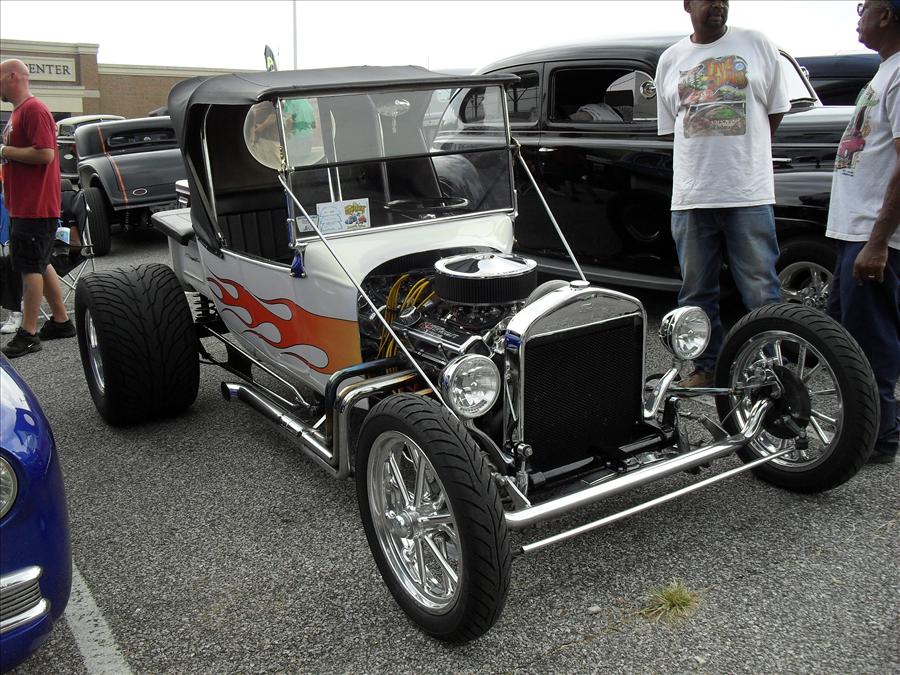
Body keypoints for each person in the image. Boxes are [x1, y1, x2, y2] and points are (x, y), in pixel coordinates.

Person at [655, 0, 790, 387]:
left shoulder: (757, 44)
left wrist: (748, 154)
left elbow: (775, 111)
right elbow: (675, 125)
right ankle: (705, 368)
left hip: (748, 194)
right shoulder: (670, 59)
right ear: (687, 4)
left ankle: (771, 373)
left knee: (761, 292)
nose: (718, 4)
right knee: (696, 293)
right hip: (691, 196)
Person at [826, 0, 900, 465]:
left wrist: (877, 242)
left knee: (871, 343)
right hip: (856, 232)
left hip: (873, 236)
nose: (859, 15)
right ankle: (867, 425)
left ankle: (879, 436)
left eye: (865, 7)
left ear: (888, 15)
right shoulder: (886, 71)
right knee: (846, 339)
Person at [0, 59, 75, 358]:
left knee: (29, 267)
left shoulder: (34, 109)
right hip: (23, 205)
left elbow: (45, 154)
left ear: (12, 76)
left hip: (35, 206)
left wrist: (3, 150)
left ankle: (28, 334)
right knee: (40, 263)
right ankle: (61, 321)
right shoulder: (18, 112)